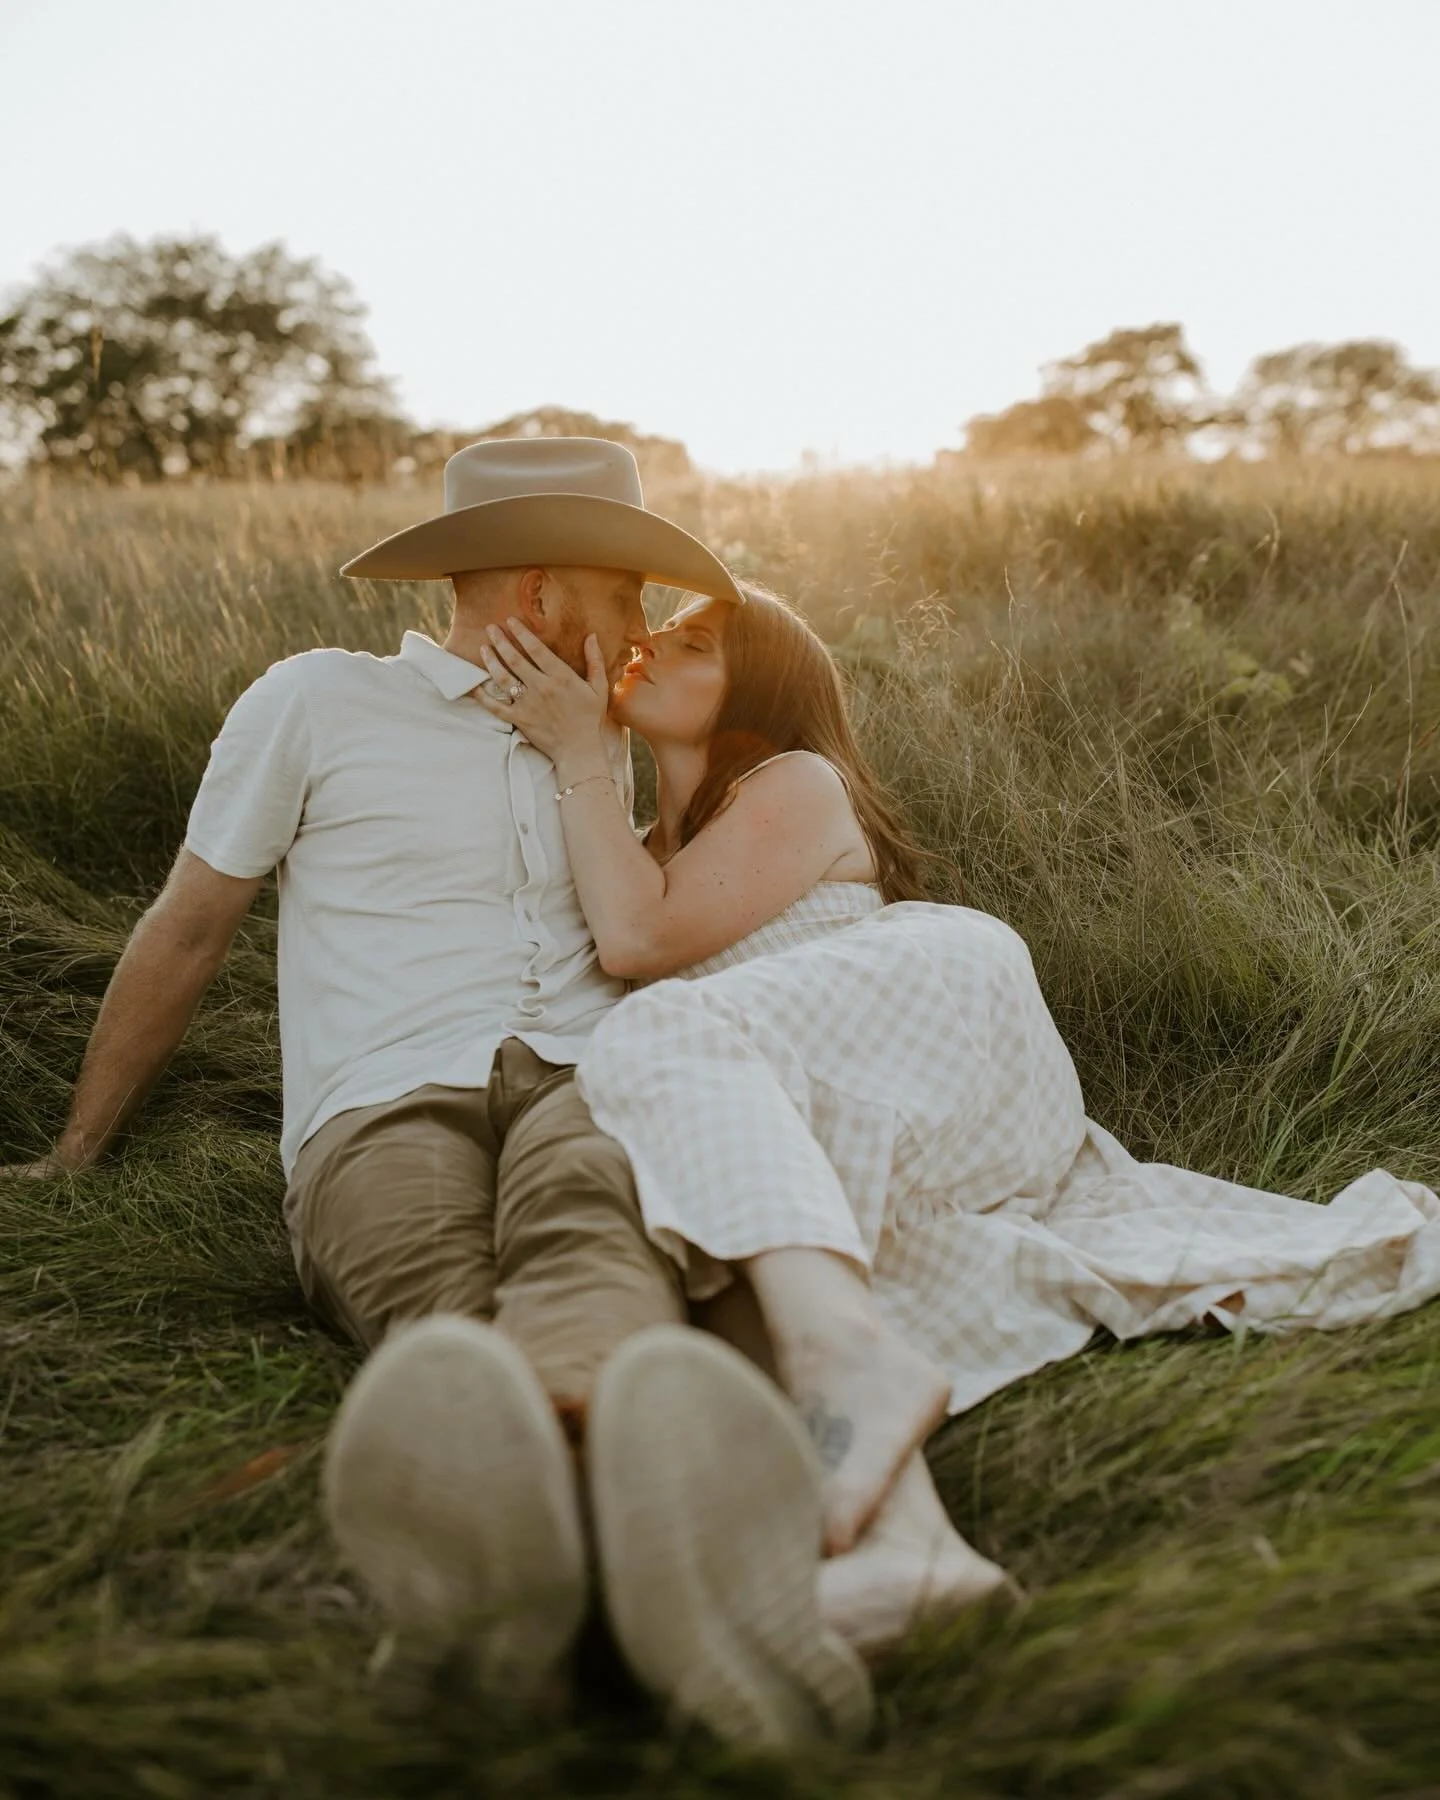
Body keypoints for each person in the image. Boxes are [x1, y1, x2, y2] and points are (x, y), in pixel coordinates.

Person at [1, 440, 875, 1751]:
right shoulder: (315, 702)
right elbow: (187, 927)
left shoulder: (594, 728)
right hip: (379, 1091)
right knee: (431, 1284)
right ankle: (642, 1572)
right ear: (538, 591)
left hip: (590, 1074)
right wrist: (77, 1152)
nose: (639, 635)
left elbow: (659, 908)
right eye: (624, 596)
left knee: (591, 1226)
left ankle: (526, 1584)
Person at [473, 578, 1440, 1651]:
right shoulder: (651, 845)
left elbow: (637, 947)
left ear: (760, 688)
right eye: (658, 630)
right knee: (741, 1258)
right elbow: (631, 926)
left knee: (648, 1037)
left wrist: (573, 757)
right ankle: (915, 1557)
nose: (651, 646)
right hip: (839, 1095)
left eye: (696, 641)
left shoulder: (793, 780)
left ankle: (856, 1370)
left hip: (930, 1014)